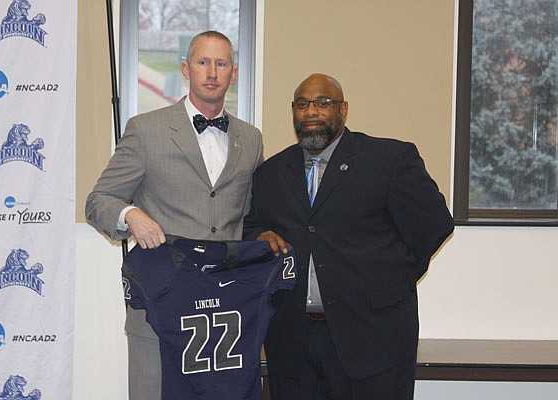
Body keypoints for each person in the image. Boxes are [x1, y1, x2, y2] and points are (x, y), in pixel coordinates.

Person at [243, 73, 454, 400]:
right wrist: (259, 235)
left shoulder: (388, 160)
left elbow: (434, 223)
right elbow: (252, 226)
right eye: (302, 104)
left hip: (373, 338)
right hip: (292, 342)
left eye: (323, 103)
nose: (311, 111)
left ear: (343, 110)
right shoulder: (271, 173)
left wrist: (394, 277)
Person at [86, 31, 264, 400]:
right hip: (159, 309)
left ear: (233, 73)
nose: (212, 72)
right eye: (203, 62)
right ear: (185, 69)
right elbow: (99, 200)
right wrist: (131, 214)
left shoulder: (251, 139)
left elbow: (253, 217)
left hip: (225, 317)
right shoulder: (145, 130)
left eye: (221, 64)